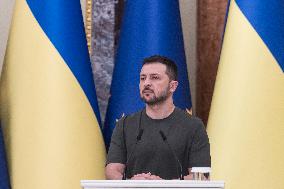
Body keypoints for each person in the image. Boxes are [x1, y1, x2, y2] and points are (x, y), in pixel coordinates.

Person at [105, 55, 210, 180]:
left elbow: (200, 176)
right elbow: (112, 170)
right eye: (143, 78)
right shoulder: (125, 124)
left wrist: (163, 185)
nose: (147, 83)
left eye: (155, 78)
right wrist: (131, 182)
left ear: (173, 86)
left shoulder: (193, 126)